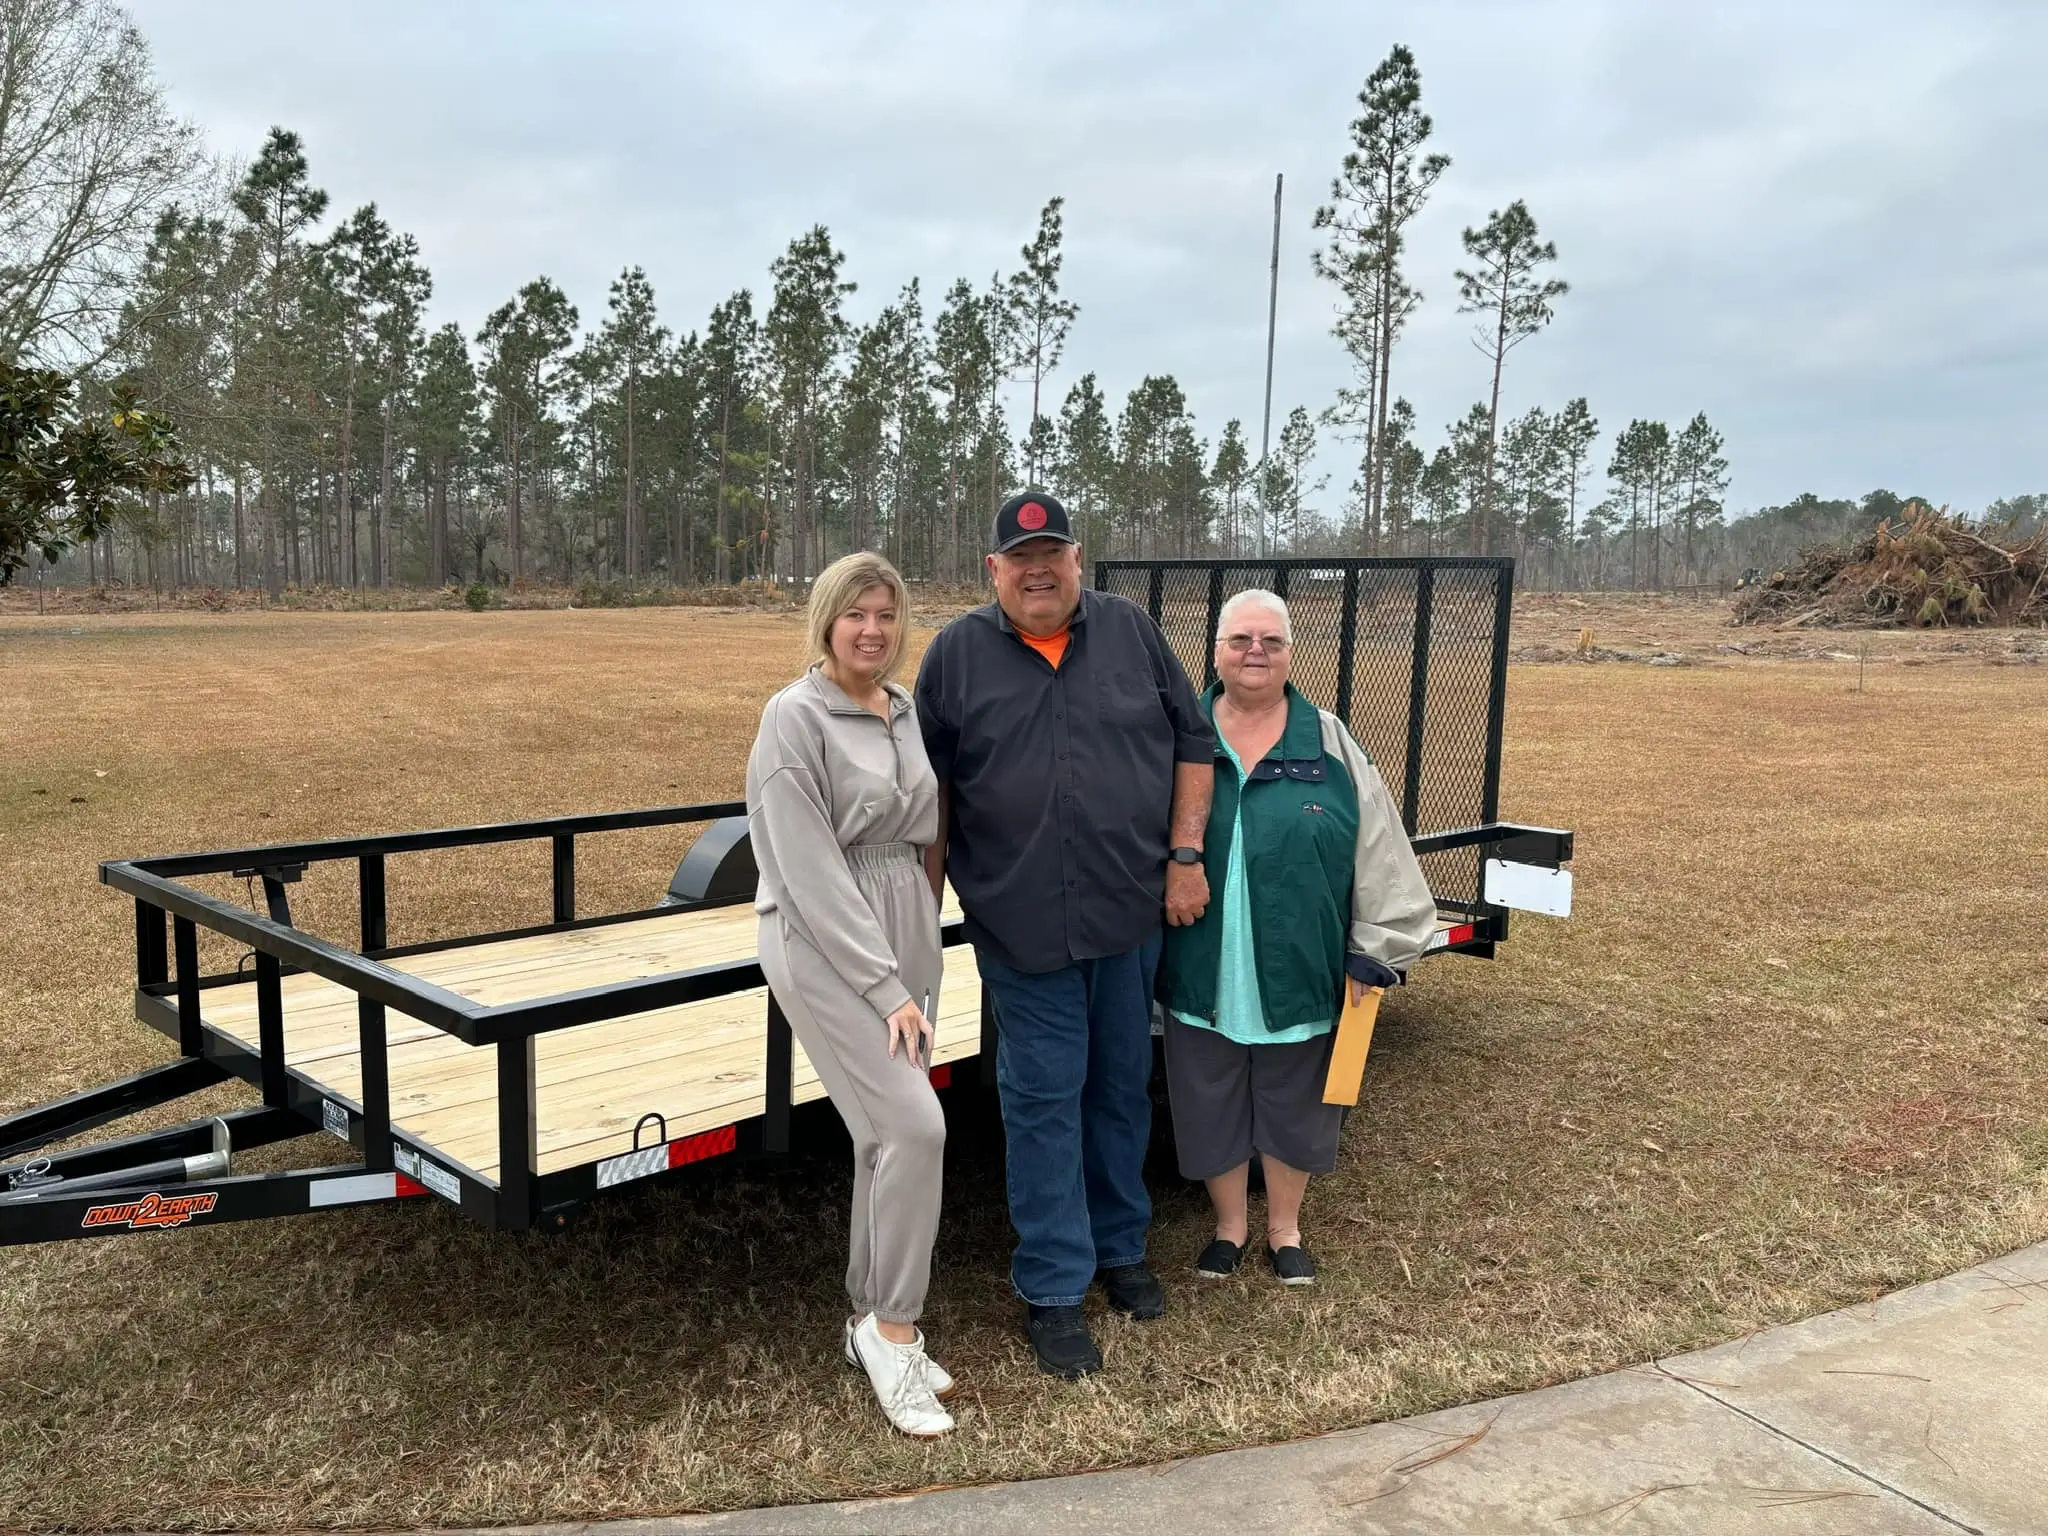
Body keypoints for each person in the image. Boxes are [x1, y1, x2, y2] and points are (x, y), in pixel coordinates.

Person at [915, 489, 1215, 1378]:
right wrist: (921, 920)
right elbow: (928, 795)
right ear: (994, 570)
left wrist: (1186, 854)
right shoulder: (957, 656)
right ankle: (1053, 1287)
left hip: (1128, 916)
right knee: (1044, 1099)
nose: (1039, 570)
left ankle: (1122, 1249)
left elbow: (1191, 741)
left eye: (1055, 554)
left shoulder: (1132, 632)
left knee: (1121, 1088)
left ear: (1079, 560)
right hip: (1022, 926)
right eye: (1021, 557)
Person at [1156, 589, 1437, 1286]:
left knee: (1295, 1099)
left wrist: (1381, 943)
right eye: (1241, 639)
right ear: (1215, 651)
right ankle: (1229, 1226)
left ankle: (1285, 1228)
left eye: (1271, 642)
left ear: (1290, 655)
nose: (1256, 653)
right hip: (1203, 960)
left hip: (1299, 960)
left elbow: (1379, 847)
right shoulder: (1177, 738)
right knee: (1208, 1094)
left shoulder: (1330, 742)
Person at [745, 551, 956, 1437]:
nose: (872, 630)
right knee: (917, 1125)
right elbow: (806, 869)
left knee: (884, 1138)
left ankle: (869, 1319)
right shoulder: (794, 719)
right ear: (826, 621)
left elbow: (927, 831)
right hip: (826, 939)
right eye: (855, 614)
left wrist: (923, 949)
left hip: (907, 921)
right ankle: (897, 1328)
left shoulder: (903, 711)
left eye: (887, 614)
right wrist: (882, 984)